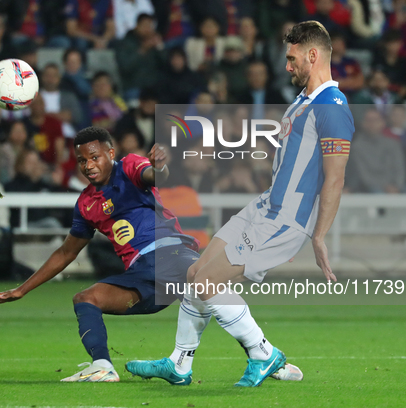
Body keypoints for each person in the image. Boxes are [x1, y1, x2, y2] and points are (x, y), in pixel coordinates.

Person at [126, 20, 354, 387]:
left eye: (292, 58)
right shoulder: (302, 101)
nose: (287, 65)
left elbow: (336, 176)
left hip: (285, 219)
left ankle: (263, 353)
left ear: (313, 55)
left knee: (208, 283)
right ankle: (179, 364)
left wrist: (318, 236)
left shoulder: (333, 106)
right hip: (264, 206)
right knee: (194, 275)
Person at [0, 127, 200, 383]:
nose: (88, 165)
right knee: (86, 299)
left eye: (94, 157)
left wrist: (160, 167)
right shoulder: (86, 204)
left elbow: (152, 176)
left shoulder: (129, 167)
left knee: (213, 296)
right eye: (82, 160)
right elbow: (66, 252)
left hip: (170, 256)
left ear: (110, 153)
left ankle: (257, 351)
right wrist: (22, 290)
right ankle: (102, 366)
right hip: (146, 280)